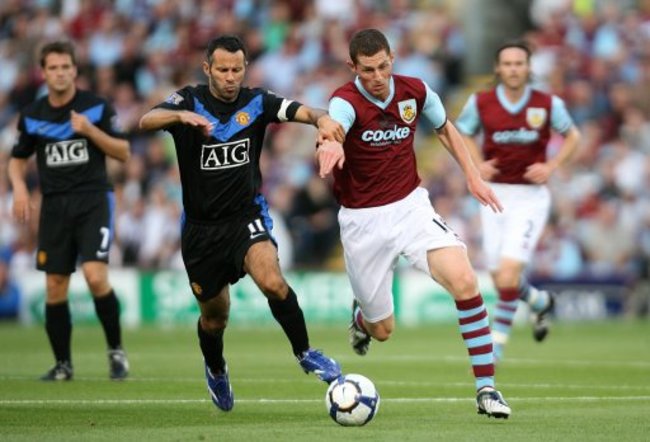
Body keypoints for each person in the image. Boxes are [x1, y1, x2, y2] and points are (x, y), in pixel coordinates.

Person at [138, 35, 343, 412]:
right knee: (215, 319)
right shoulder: (188, 100)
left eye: (237, 69)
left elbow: (301, 110)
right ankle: (215, 368)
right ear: (207, 69)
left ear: (244, 68)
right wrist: (179, 116)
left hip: (246, 217)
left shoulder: (257, 102)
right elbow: (145, 119)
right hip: (201, 231)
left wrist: (323, 118)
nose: (231, 77)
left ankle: (305, 352)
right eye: (223, 69)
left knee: (273, 282)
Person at [316, 29, 511, 419]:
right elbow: (333, 124)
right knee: (383, 329)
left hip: (411, 208)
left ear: (393, 58)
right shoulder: (346, 101)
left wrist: (472, 175)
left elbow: (444, 128)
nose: (377, 76)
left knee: (465, 281)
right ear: (353, 67)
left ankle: (487, 389)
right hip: (362, 222)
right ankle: (361, 318)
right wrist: (330, 142)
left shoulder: (416, 91)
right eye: (368, 69)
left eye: (383, 66)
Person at [8, 41, 131, 381]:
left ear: (75, 70)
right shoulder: (33, 114)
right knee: (55, 286)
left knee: (95, 276)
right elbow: (17, 162)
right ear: (43, 72)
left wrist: (90, 131)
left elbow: (122, 151)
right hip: (54, 206)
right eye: (53, 68)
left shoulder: (95, 108)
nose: (60, 73)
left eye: (66, 67)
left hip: (93, 200)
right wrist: (18, 188)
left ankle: (116, 352)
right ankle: (63, 364)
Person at [455, 40, 580, 361]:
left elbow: (573, 135)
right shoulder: (481, 102)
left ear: (528, 67)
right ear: (498, 68)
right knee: (501, 279)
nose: (513, 69)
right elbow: (462, 131)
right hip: (494, 194)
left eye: (519, 63)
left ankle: (495, 348)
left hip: (529, 197)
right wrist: (476, 162)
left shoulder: (546, 103)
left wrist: (552, 165)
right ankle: (539, 302)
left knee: (509, 274)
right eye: (507, 64)